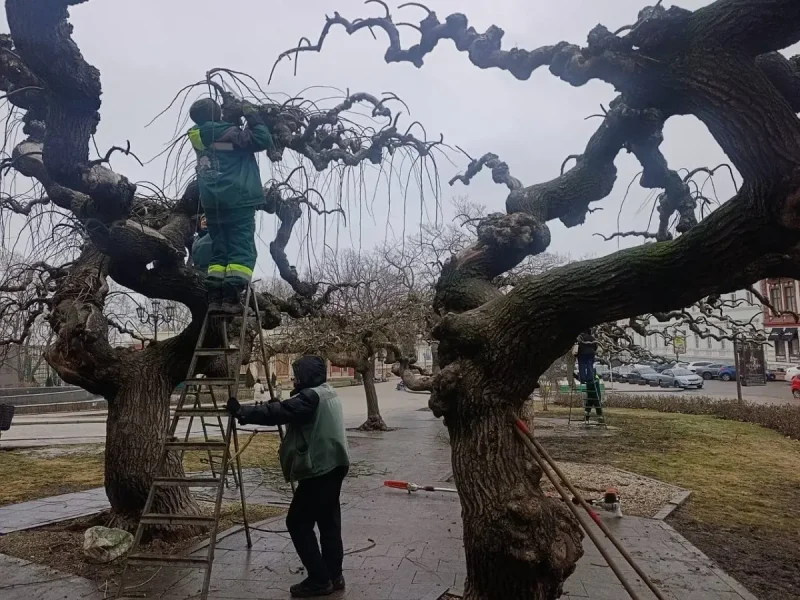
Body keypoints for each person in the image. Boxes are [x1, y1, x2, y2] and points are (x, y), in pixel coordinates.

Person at [226, 355, 350, 598]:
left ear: (307, 376)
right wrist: (283, 404)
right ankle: (334, 575)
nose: (295, 379)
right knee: (328, 522)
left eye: (298, 375)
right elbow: (292, 409)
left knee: (297, 522)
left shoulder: (310, 397)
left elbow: (280, 412)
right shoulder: (327, 392)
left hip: (319, 470)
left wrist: (243, 411)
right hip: (335, 464)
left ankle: (319, 580)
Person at [187, 97, 275, 312]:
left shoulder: (200, 138)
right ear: (216, 114)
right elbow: (262, 140)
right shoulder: (227, 134)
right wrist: (251, 113)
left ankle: (215, 298)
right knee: (241, 248)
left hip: (213, 204)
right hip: (237, 198)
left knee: (220, 251)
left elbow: (228, 148)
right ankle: (231, 299)